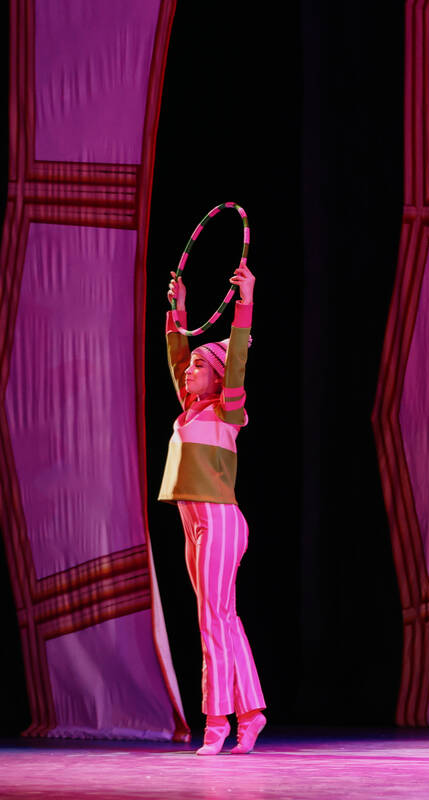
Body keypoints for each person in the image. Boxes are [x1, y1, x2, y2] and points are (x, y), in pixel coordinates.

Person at [161, 264, 267, 755]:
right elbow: (177, 351)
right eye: (190, 367)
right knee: (224, 616)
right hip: (192, 523)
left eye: (200, 366)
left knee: (211, 618)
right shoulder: (187, 410)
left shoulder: (228, 409)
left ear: (220, 377)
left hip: (219, 519)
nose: (189, 370)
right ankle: (252, 714)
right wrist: (177, 309)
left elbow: (238, 356)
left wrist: (245, 301)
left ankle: (216, 723)